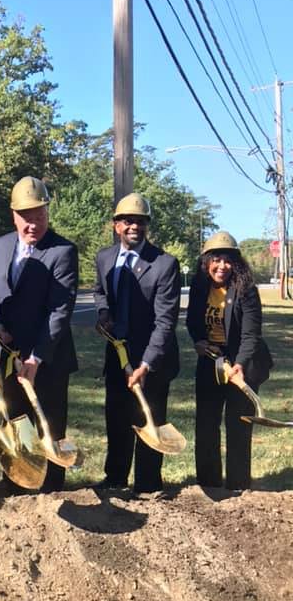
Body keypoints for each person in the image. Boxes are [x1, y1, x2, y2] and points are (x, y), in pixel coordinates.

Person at [0, 176, 78, 492]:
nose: (33, 224)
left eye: (39, 215)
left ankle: (52, 487)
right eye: (26, 216)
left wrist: (37, 357)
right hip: (11, 354)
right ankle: (18, 481)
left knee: (49, 422)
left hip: (49, 356)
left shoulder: (62, 251)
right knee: (16, 419)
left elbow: (60, 310)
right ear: (14, 215)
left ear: (47, 212)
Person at [93, 192, 181, 494]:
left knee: (148, 419)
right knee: (116, 418)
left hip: (152, 359)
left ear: (147, 226)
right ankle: (115, 478)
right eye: (128, 221)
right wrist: (104, 313)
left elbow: (165, 320)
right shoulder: (105, 258)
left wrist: (145, 364)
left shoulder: (165, 264)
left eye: (141, 222)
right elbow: (100, 291)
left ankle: (147, 484)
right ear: (116, 225)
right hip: (117, 355)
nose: (135, 227)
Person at [186, 231, 272, 491]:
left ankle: (237, 484)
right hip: (210, 362)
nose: (222, 266)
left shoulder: (246, 290)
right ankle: (209, 483)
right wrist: (198, 341)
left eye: (228, 261)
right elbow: (192, 321)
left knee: (238, 426)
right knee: (206, 425)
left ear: (236, 263)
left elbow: (251, 334)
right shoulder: (200, 287)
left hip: (241, 364)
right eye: (216, 260)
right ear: (206, 262)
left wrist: (240, 365)